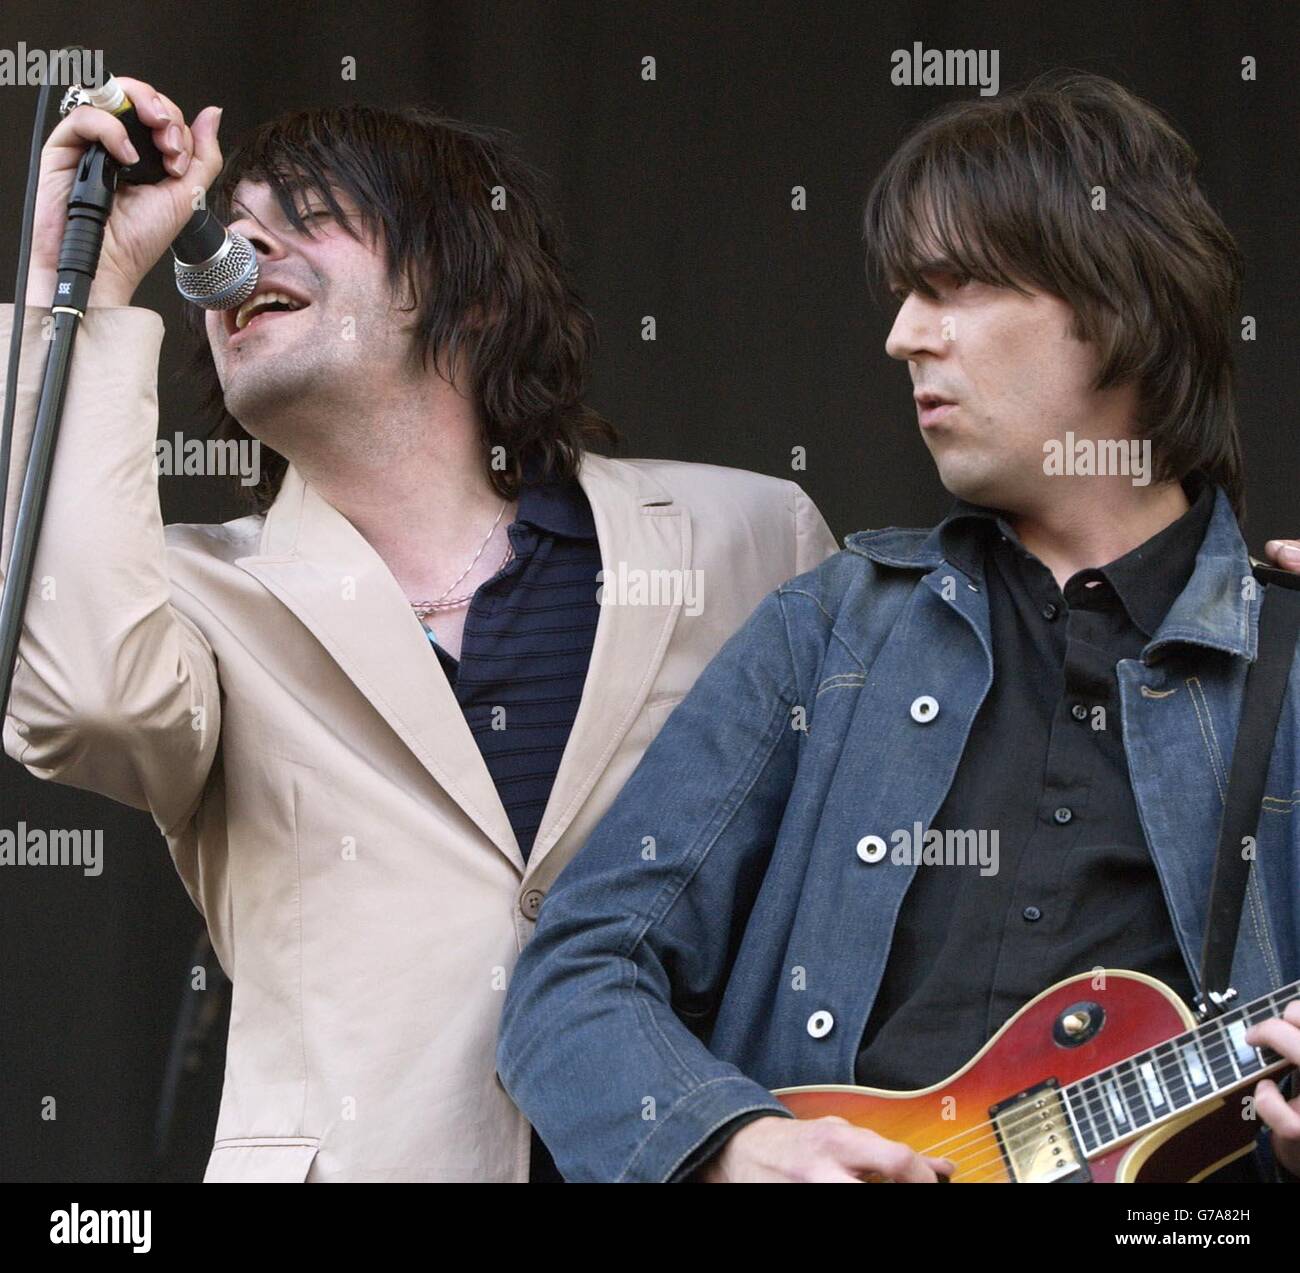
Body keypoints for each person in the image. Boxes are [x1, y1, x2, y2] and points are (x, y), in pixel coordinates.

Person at [0, 77, 838, 1181]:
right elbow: (83, 701)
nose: (240, 250)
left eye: (305, 214)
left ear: (470, 287)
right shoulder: (192, 600)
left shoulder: (750, 537)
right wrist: (88, 291)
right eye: (232, 228)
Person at [497, 72, 1300, 1183]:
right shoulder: (833, 631)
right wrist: (731, 1144)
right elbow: (577, 971)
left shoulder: (1289, 663)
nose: (900, 336)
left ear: (1118, 296)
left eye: (954, 285)